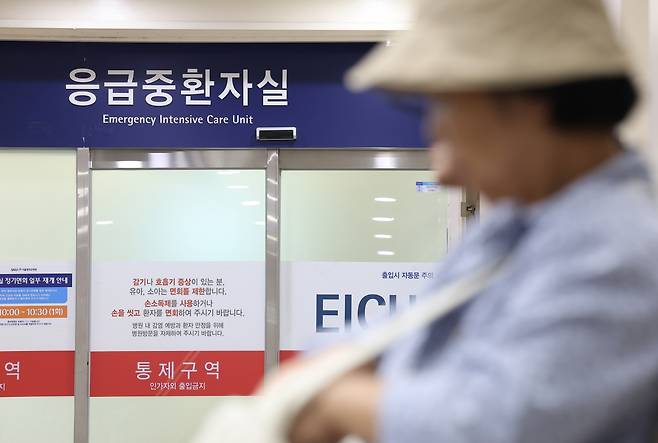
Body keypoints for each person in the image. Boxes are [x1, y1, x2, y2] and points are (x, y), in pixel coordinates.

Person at [286, 1, 658, 443]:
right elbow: (395, 335)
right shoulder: (509, 231)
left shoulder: (617, 250)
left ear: (526, 102)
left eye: (445, 110)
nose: (443, 168)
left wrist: (331, 398)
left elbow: (483, 427)